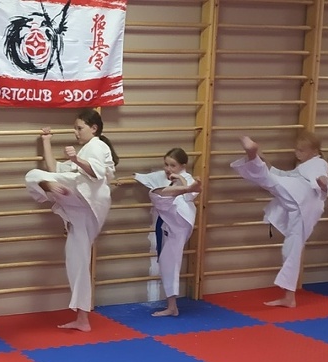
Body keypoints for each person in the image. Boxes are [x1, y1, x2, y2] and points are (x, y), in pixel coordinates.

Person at [24, 109, 117, 331]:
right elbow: (54, 168)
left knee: (34, 177)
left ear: (93, 128)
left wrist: (76, 159)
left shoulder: (97, 145)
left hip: (88, 197)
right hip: (80, 207)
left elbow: (95, 173)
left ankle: (49, 187)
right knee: (77, 262)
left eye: (79, 128)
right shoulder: (86, 149)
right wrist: (46, 140)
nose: (76, 132)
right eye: (75, 128)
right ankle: (82, 319)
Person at [230, 133, 328, 308]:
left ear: (315, 151)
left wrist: (323, 183)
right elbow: (284, 175)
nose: (297, 153)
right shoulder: (303, 167)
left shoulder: (318, 163)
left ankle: (252, 155)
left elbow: (321, 177)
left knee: (269, 181)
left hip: (301, 196)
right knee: (291, 249)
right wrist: (265, 160)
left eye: (302, 150)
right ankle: (289, 297)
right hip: (299, 203)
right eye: (296, 150)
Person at [133, 148, 201, 317]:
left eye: (173, 165)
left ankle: (172, 307)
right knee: (167, 263)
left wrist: (182, 181)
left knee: (157, 194)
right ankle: (172, 306)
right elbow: (143, 177)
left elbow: (191, 195)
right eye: (166, 164)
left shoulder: (186, 176)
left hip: (181, 219)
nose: (168, 169)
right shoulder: (162, 176)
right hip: (170, 223)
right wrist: (125, 179)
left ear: (183, 166)